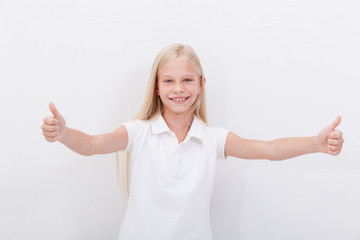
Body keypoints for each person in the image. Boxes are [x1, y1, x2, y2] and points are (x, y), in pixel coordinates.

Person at [41, 43, 344, 240]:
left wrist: (314, 143)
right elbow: (93, 144)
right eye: (168, 81)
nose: (178, 89)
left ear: (201, 85)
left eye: (187, 80)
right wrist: (64, 134)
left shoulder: (212, 139)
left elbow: (268, 149)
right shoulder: (138, 132)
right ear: (157, 88)